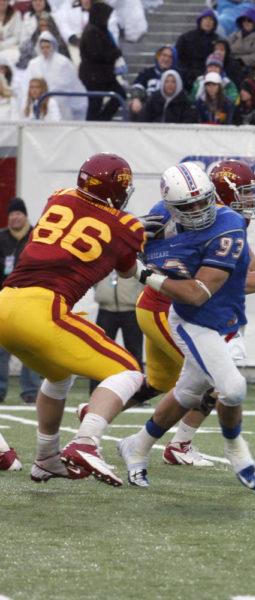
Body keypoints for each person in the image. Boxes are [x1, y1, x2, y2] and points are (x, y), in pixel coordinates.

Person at [115, 163, 255, 490]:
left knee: (183, 390)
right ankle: (226, 449)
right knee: (228, 386)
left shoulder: (228, 224)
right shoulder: (163, 219)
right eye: (188, 207)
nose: (198, 211)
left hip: (219, 314)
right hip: (184, 315)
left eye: (203, 202)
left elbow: (214, 286)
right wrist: (128, 233)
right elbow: (118, 253)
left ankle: (134, 442)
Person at [0, 154, 145, 485]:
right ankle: (86, 442)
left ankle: (47, 457)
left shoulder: (59, 197)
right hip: (43, 307)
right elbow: (125, 269)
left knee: (59, 374)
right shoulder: (128, 226)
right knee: (128, 370)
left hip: (5, 301)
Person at [0, 197, 40, 405]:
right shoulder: (1, 238)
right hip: (4, 300)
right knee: (1, 349)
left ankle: (31, 390)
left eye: (18, 213)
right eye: (11, 214)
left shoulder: (36, 237)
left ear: (25, 216)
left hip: (30, 300)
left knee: (30, 347)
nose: (15, 217)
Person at [88, 271, 143, 393]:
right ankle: (95, 390)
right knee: (100, 351)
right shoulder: (101, 259)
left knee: (134, 352)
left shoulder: (134, 258)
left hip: (131, 311)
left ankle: (138, 392)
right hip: (106, 311)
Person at [78, 1, 124, 121]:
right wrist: (115, 53)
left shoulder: (100, 30)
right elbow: (97, 54)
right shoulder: (92, 32)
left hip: (103, 76)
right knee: (95, 105)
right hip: (94, 77)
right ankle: (95, 125)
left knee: (119, 95)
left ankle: (101, 121)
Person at [176, 9, 220, 85]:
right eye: (205, 18)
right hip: (187, 75)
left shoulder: (218, 41)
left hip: (210, 76)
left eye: (211, 19)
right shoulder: (186, 38)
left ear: (214, 23)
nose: (208, 22)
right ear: (200, 21)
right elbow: (179, 58)